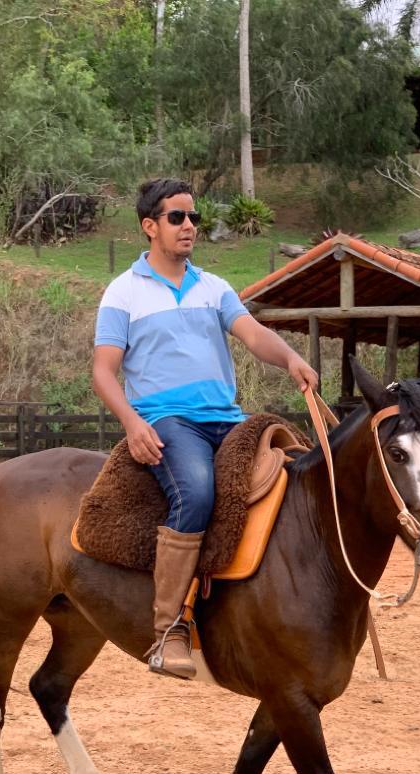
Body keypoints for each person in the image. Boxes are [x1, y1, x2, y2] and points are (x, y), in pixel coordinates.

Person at [92, 177, 318, 680]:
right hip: (169, 421)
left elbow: (254, 335)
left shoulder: (214, 288)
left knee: (294, 471)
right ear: (150, 226)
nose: (189, 225)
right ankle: (169, 629)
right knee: (195, 493)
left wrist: (290, 359)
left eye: (193, 216)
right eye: (177, 217)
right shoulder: (124, 291)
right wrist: (132, 423)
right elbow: (103, 371)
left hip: (227, 418)